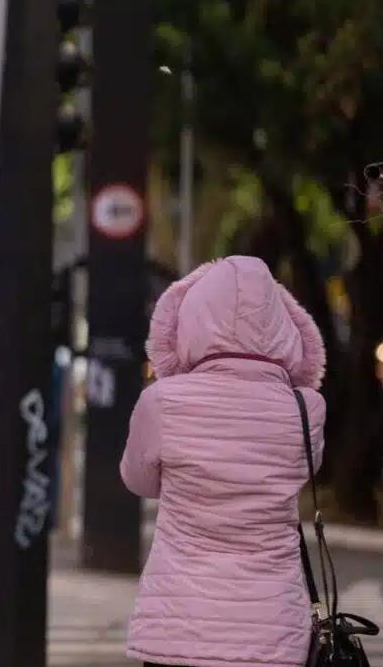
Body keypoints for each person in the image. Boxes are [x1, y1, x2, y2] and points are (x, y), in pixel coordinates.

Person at [120, 256, 326, 667]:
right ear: (282, 325)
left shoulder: (163, 403)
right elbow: (306, 470)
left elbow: (137, 480)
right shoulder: (306, 409)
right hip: (271, 631)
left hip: (179, 627)